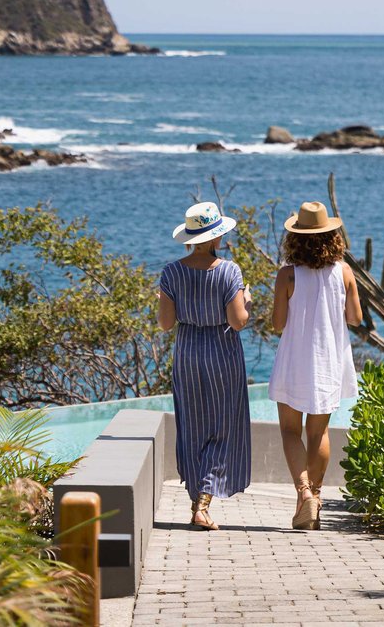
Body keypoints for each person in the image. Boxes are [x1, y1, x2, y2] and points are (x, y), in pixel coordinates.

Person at [157, 201, 252, 531]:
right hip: (222, 352)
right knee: (224, 428)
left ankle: (196, 501)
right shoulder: (229, 271)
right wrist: (246, 301)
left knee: (192, 427)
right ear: (217, 237)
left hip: (186, 353)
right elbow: (238, 322)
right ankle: (203, 504)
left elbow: (166, 324)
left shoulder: (171, 272)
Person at [268, 201, 363, 530]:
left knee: (291, 431)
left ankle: (304, 493)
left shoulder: (287, 275)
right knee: (318, 431)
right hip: (329, 360)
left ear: (295, 239)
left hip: (295, 359)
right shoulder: (345, 272)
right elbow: (355, 318)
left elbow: (278, 324)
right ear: (332, 237)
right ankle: (316, 498)